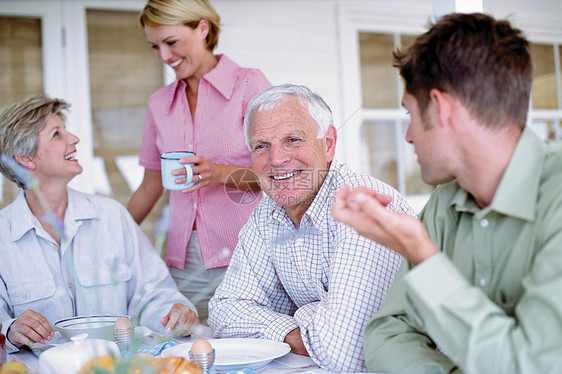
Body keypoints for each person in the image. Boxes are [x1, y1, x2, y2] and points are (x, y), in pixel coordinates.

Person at [332, 12, 562, 374]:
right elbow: (387, 331)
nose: (408, 136)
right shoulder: (444, 203)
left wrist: (422, 254)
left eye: (409, 112)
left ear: (442, 109)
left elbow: (531, 365)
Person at [207, 84, 415, 372]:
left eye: (292, 139)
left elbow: (345, 353)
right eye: (261, 146)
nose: (277, 159)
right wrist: (304, 323)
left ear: (328, 144)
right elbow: (224, 311)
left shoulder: (364, 205)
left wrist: (295, 315)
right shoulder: (267, 214)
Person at [0, 95, 199, 352]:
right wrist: (10, 329)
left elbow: (155, 293)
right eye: (57, 134)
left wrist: (174, 314)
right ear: (26, 158)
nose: (74, 138)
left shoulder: (112, 216)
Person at [127, 0, 270, 323]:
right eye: (155, 46)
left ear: (203, 28)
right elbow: (150, 187)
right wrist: (108, 232)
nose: (164, 56)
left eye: (172, 42)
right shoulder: (158, 103)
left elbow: (280, 172)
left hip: (247, 254)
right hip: (184, 260)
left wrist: (221, 174)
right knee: (189, 351)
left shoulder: (249, 85)